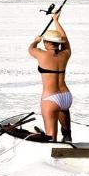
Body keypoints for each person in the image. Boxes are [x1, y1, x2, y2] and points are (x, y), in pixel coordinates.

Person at [28, 12, 72, 142]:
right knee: (63, 112)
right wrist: (56, 20)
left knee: (50, 138)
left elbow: (30, 49)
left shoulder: (41, 54)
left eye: (44, 42)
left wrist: (35, 41)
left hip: (50, 98)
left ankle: (53, 146)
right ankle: (67, 134)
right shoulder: (65, 53)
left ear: (46, 42)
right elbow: (65, 38)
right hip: (66, 96)